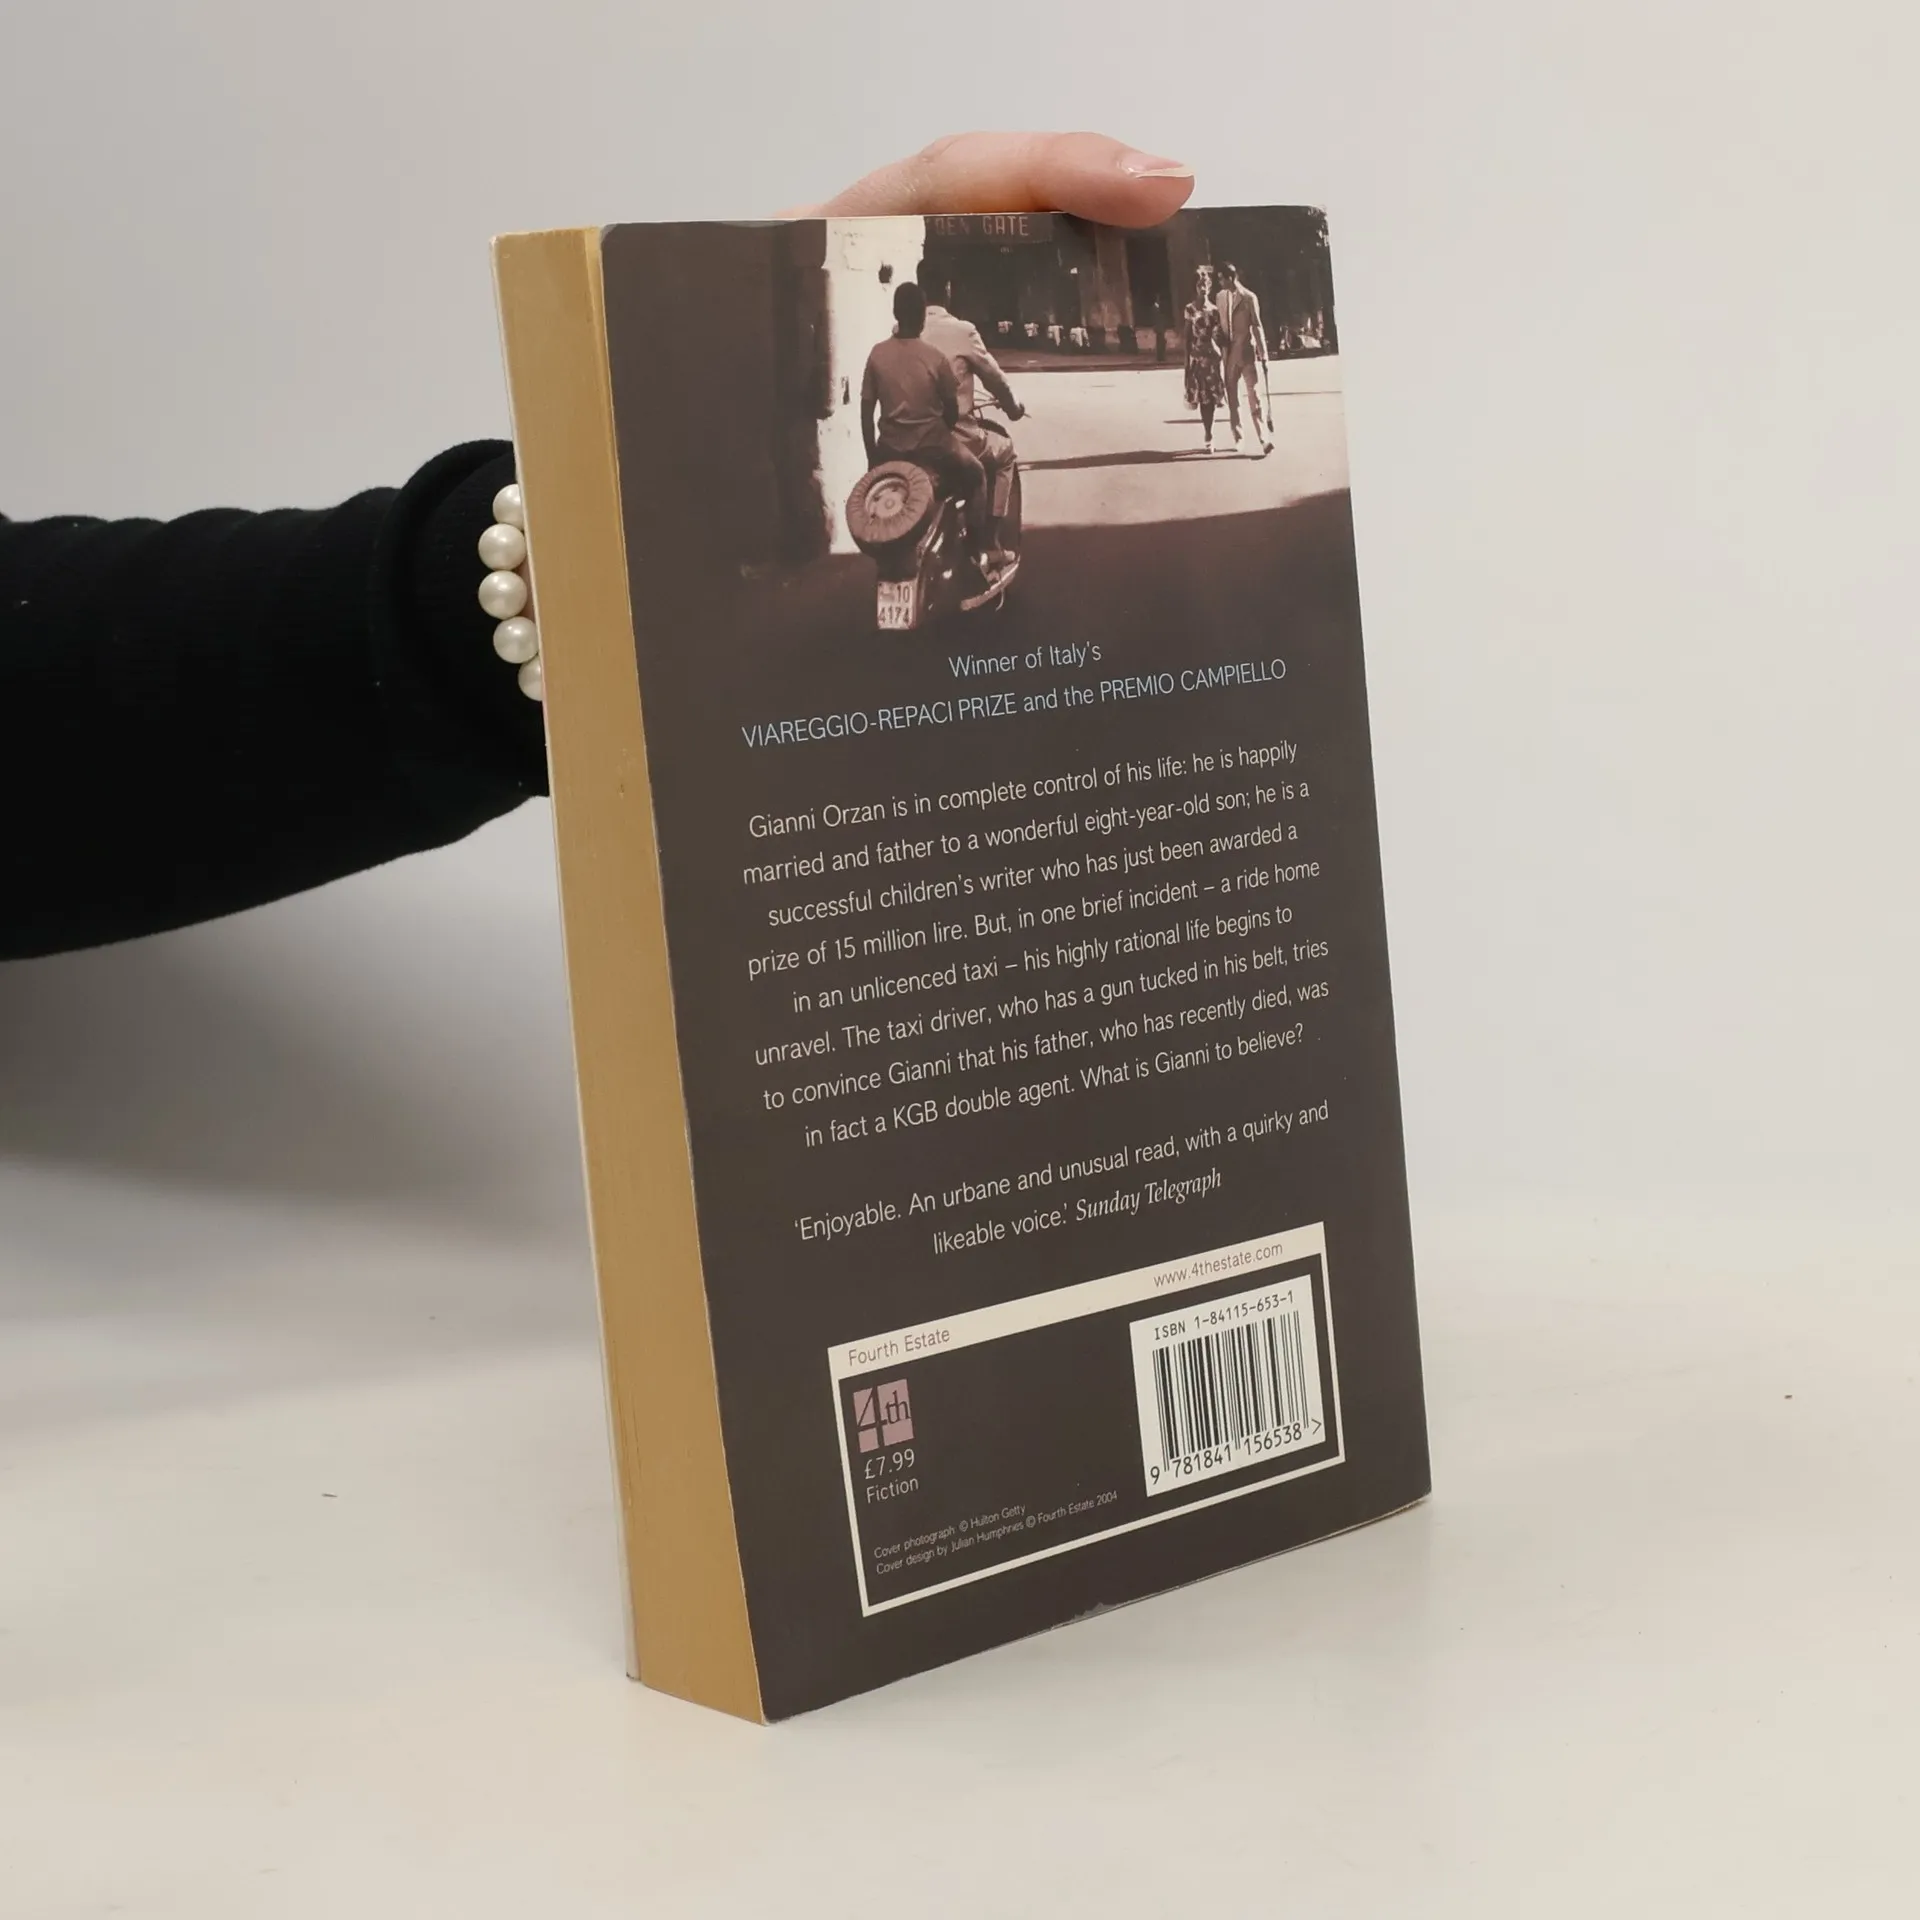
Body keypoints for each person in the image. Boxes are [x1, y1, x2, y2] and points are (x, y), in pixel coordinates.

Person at [0, 133, 1193, 963]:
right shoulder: (953, 348)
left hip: (883, 464)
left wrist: (539, 576)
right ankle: (986, 553)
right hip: (945, 458)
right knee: (991, 469)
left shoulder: (887, 359)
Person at [860, 280, 996, 573]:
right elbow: (951, 410)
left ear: (896, 313)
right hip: (934, 449)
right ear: (922, 315)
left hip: (890, 450)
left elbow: (866, 411)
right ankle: (976, 552)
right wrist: (938, 430)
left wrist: (872, 455)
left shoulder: (877, 354)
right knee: (977, 475)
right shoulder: (934, 358)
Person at [922, 285, 1025, 567]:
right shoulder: (962, 331)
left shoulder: (902, 334)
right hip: (955, 440)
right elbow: (994, 378)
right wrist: (1014, 407)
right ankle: (989, 544)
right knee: (1004, 453)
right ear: (947, 290)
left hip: (913, 440)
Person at [1215, 261, 1272, 456]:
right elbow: (1220, 323)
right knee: (1232, 397)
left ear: (1231, 278)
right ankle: (1238, 437)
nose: (1220, 282)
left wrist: (1264, 355)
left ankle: (1264, 438)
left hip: (1246, 352)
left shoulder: (1248, 298)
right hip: (1228, 355)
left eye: (1222, 279)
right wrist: (1218, 337)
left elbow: (1257, 325)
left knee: (1254, 394)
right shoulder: (1220, 297)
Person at [1182, 264, 1227, 452]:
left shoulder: (1215, 310)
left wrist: (1220, 353)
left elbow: (1221, 336)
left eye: (1206, 284)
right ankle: (1207, 433)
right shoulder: (1190, 309)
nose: (1203, 288)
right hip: (1197, 359)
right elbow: (1187, 339)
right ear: (1195, 287)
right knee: (1202, 398)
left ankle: (1210, 431)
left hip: (1213, 359)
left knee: (1211, 398)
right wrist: (1186, 364)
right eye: (1200, 284)